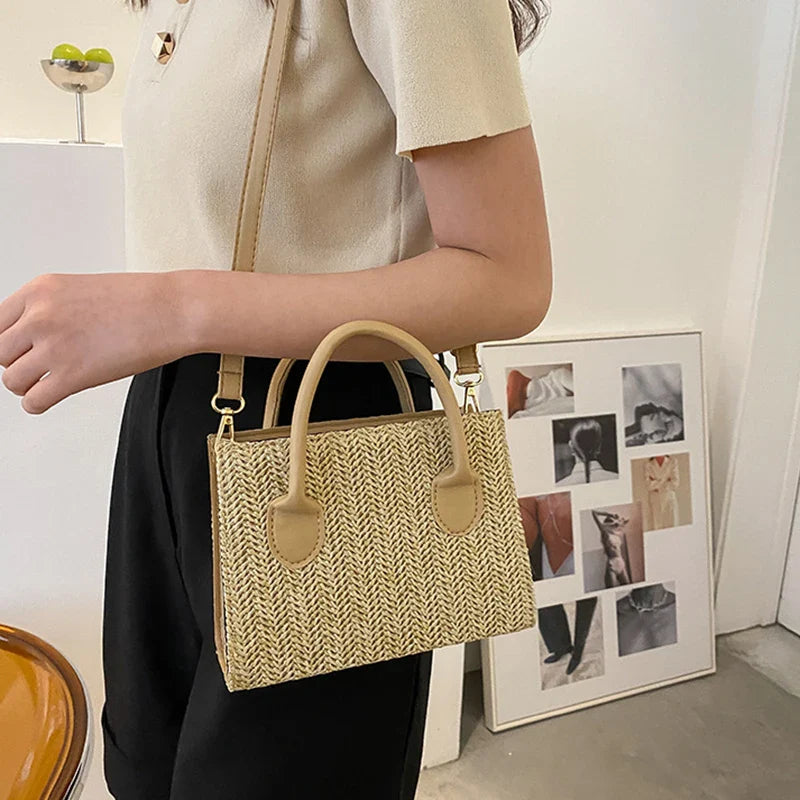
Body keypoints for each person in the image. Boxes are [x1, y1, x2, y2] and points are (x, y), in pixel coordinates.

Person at [0, 1, 552, 798]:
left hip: (325, 443)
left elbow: (509, 276)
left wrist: (171, 306)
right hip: (172, 416)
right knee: (146, 770)